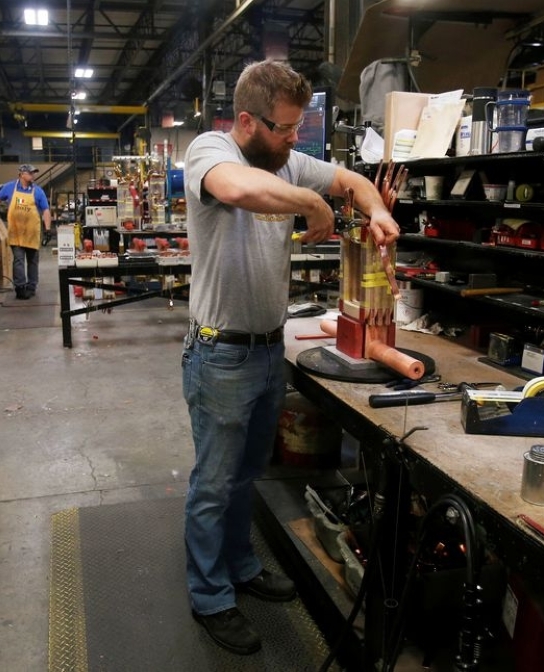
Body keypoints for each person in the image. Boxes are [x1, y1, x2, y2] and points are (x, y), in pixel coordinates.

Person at [181, 59, 400, 655]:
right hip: (219, 353)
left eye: (298, 128)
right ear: (247, 121)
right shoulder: (210, 150)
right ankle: (210, 596)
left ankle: (241, 566)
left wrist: (377, 211)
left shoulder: (286, 160)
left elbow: (351, 182)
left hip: (265, 351)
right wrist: (311, 204)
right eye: (284, 129)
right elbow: (236, 189)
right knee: (214, 482)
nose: (294, 138)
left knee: (246, 475)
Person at [0, 164, 52, 299]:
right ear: (21, 174)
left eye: (33, 173)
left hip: (32, 233)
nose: (33, 176)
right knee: (18, 260)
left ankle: (31, 286)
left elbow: (46, 210)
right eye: (30, 173)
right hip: (16, 232)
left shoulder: (38, 191)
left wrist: (47, 229)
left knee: (32, 261)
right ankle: (20, 287)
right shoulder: (10, 187)